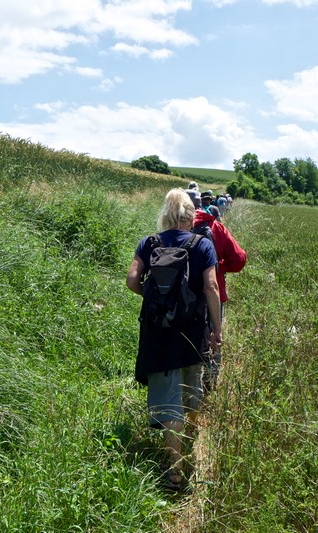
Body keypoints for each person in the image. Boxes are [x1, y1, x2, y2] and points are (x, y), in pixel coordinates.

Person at [126, 188, 222, 491]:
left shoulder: (149, 243)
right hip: (191, 331)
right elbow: (211, 287)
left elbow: (131, 280)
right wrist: (216, 329)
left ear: (166, 215)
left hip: (157, 332)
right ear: (190, 216)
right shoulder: (202, 244)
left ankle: (174, 470)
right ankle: (191, 440)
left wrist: (156, 301)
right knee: (190, 389)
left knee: (168, 401)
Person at [192, 197, 247, 389]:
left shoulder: (172, 225)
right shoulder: (216, 227)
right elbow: (239, 259)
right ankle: (210, 382)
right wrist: (219, 268)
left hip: (181, 293)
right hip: (213, 290)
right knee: (214, 334)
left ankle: (189, 383)